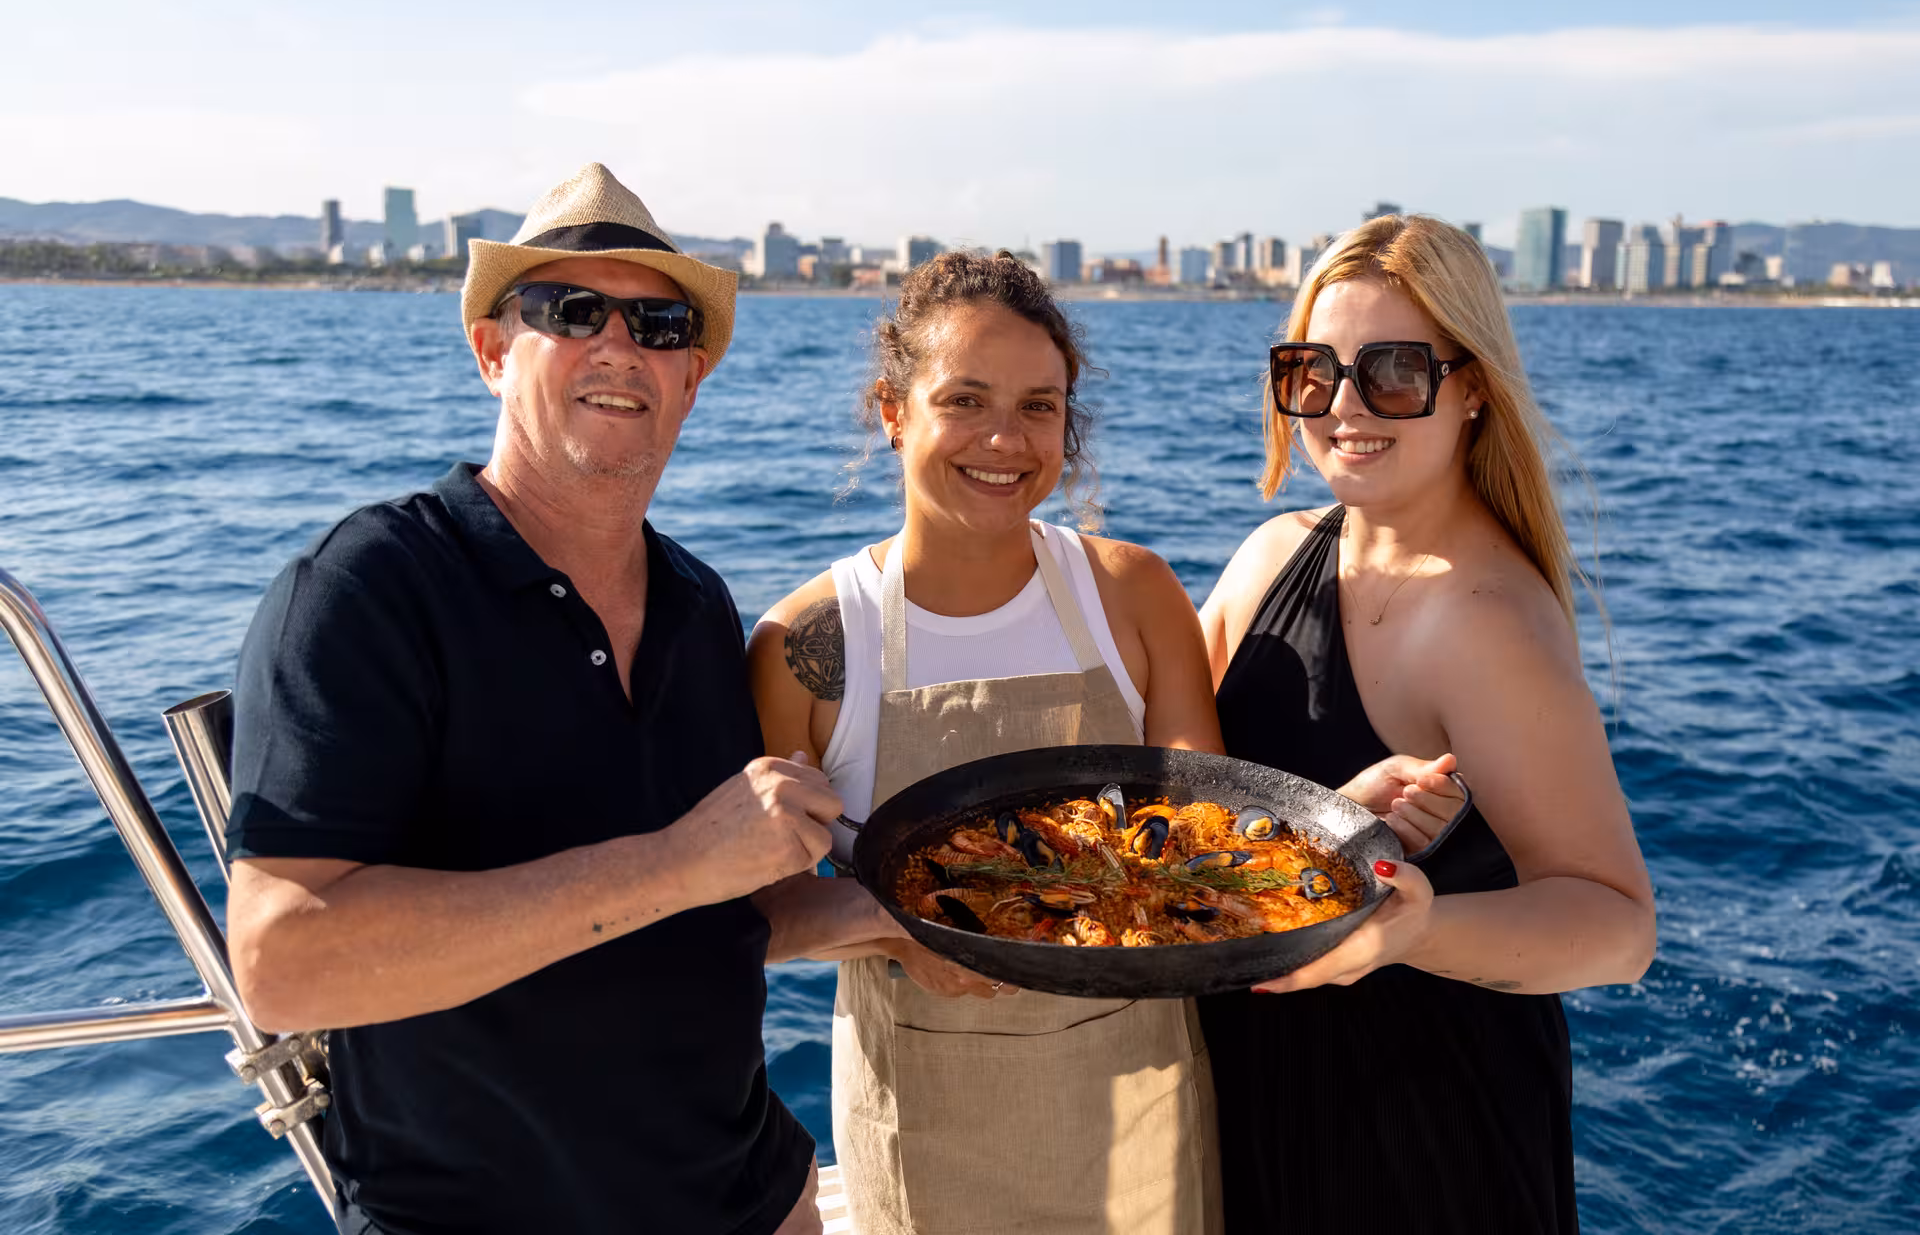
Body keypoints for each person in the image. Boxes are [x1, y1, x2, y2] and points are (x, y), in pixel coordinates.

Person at [747, 250, 1468, 1235]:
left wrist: (1340, 816)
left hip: (1145, 1104)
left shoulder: (1131, 595)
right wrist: (892, 922)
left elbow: (1200, 844)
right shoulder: (808, 645)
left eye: (1039, 406)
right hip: (927, 1121)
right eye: (965, 400)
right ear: (893, 411)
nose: (1006, 439)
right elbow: (756, 921)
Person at [223, 164, 839, 1235]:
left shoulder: (698, 604)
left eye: (659, 324)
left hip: (755, 1198)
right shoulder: (369, 589)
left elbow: (715, 904)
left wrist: (905, 920)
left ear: (690, 380)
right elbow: (285, 964)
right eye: (572, 311)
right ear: (492, 352)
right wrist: (677, 860)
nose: (620, 345)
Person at [1196, 214, 1658, 1232]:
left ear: (1473, 386)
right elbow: (1166, 784)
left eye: (1395, 372)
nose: (1345, 406)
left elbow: (1621, 928)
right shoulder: (1271, 556)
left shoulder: (1485, 623)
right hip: (1259, 1101)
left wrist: (1412, 931)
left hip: (1422, 1144)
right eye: (1313, 371)